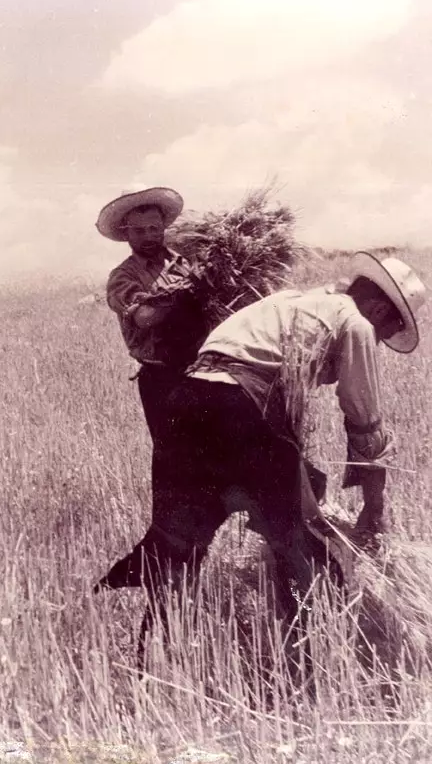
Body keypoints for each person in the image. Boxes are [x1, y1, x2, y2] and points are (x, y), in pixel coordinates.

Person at [96, 253, 427, 670]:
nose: (377, 342)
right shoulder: (356, 321)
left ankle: (151, 668)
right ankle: (317, 669)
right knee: (299, 550)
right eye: (385, 333)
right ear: (380, 310)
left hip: (184, 407)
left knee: (178, 549)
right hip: (239, 408)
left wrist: (304, 485)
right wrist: (373, 511)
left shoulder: (285, 302)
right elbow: (365, 421)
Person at [99, 186, 209, 446]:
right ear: (126, 233)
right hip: (163, 379)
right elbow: (144, 317)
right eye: (139, 231)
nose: (148, 236)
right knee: (175, 458)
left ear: (163, 227)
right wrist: (181, 294)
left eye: (154, 228)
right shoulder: (123, 277)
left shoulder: (187, 264)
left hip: (204, 370)